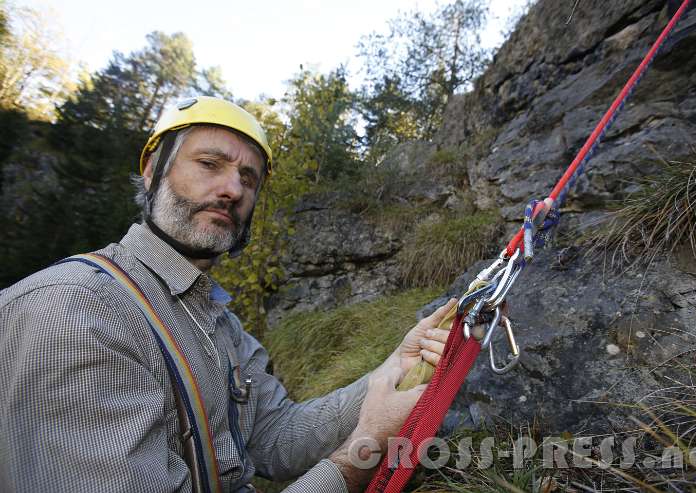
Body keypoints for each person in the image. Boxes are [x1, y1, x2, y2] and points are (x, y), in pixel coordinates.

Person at [0, 96, 455, 493]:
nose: (232, 189)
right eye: (209, 164)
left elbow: (278, 438)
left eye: (249, 179)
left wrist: (396, 366)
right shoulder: (73, 313)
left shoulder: (219, 323)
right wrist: (365, 447)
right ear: (152, 168)